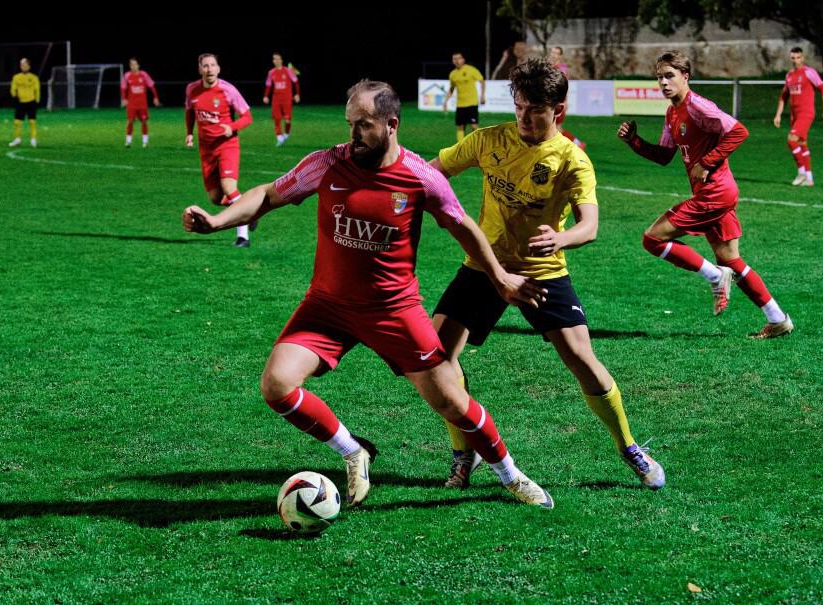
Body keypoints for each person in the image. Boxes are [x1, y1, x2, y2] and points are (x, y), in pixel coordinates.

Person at [182, 79, 554, 509]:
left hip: (395, 311)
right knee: (277, 385)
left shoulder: (420, 177)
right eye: (350, 124)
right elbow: (267, 195)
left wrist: (499, 278)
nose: (353, 135)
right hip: (328, 307)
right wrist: (216, 221)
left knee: (453, 402)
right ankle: (352, 451)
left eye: (364, 125)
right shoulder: (327, 164)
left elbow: (463, 227)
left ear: (392, 124)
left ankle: (510, 475)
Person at [430, 58, 665, 491]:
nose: (524, 117)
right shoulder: (488, 141)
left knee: (582, 362)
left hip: (543, 273)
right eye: (518, 105)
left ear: (558, 111)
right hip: (486, 267)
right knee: (437, 360)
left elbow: (589, 225)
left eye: (535, 109)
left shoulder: (572, 160)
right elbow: (432, 172)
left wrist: (561, 240)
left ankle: (629, 446)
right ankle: (464, 454)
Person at [618, 50, 794, 339]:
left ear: (685, 76)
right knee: (731, 260)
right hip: (714, 194)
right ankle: (777, 319)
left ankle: (714, 276)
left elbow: (739, 132)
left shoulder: (698, 106)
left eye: (669, 76)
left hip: (715, 193)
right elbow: (664, 156)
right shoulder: (672, 112)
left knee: (652, 238)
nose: (663, 82)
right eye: (659, 77)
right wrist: (634, 141)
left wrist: (706, 162)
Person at [185, 53, 255, 248]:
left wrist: (231, 127)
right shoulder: (192, 90)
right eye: (205, 66)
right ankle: (250, 212)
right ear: (200, 69)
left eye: (212, 65)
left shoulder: (228, 90)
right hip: (206, 149)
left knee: (228, 187)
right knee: (215, 198)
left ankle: (243, 237)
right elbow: (189, 112)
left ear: (218, 68)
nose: (209, 69)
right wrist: (189, 133)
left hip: (227, 146)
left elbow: (247, 117)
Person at [773, 47, 823, 187]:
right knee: (802, 144)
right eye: (793, 58)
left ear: (802, 57)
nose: (795, 60)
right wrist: (778, 114)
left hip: (806, 113)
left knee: (791, 140)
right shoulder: (789, 75)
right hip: (795, 115)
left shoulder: (809, 72)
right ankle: (809, 179)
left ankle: (801, 172)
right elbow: (784, 96)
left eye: (798, 57)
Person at [548, 46, 586, 150]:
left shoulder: (562, 69)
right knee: (554, 128)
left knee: (556, 129)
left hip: (558, 102)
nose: (553, 55)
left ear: (560, 56)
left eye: (556, 53)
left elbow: (564, 88)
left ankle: (576, 144)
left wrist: (565, 103)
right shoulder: (550, 67)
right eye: (552, 52)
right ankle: (575, 144)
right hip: (551, 102)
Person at [442, 52, 485, 142]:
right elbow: (451, 89)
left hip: (472, 103)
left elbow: (482, 81)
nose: (457, 61)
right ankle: (460, 148)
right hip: (460, 105)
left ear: (463, 59)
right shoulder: (453, 74)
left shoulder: (471, 70)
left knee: (474, 126)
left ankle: (482, 144)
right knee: (460, 127)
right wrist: (445, 102)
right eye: (454, 59)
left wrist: (482, 96)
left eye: (459, 58)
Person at [262, 52, 300, 147]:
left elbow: (296, 82)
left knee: (287, 120)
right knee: (277, 118)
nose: (276, 61)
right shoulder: (271, 72)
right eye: (274, 59)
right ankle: (279, 137)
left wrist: (297, 94)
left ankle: (286, 133)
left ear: (281, 60)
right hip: (276, 99)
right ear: (273, 61)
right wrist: (266, 96)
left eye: (278, 59)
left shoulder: (288, 71)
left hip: (287, 98)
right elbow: (268, 85)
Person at [121, 57, 160, 148]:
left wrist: (156, 97)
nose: (133, 66)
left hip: (142, 104)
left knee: (144, 121)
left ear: (138, 65)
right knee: (130, 121)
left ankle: (145, 142)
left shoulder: (144, 75)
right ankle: (128, 142)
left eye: (135, 64)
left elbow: (151, 86)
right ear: (130, 66)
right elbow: (123, 88)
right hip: (131, 104)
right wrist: (124, 99)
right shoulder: (127, 75)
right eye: (131, 65)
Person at [9, 58, 40, 148]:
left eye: (24, 64)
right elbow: (13, 89)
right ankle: (17, 139)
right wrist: (14, 97)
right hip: (20, 102)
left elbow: (37, 90)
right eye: (21, 65)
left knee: (32, 122)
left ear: (29, 66)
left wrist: (37, 101)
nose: (22, 66)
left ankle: (33, 139)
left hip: (31, 102)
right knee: (17, 122)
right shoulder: (16, 77)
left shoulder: (34, 77)